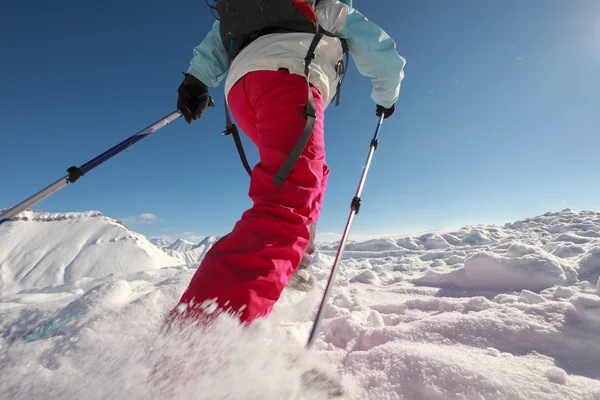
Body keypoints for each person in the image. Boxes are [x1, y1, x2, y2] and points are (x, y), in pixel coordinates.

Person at [166, 0, 405, 327]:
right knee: (287, 203)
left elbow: (217, 40)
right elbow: (379, 50)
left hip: (242, 94)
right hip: (289, 79)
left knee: (313, 174)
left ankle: (297, 266)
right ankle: (196, 344)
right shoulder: (326, 6)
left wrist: (196, 81)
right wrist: (386, 98)